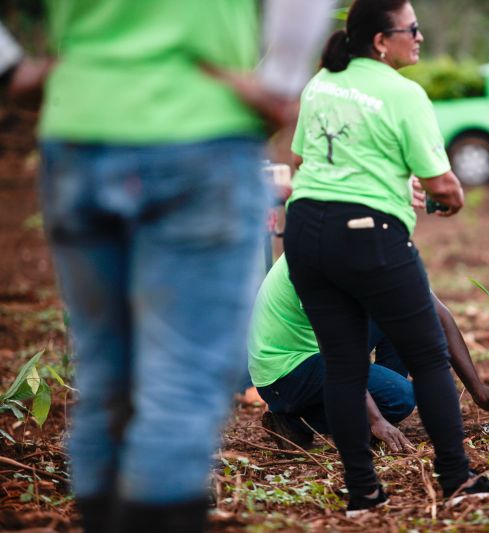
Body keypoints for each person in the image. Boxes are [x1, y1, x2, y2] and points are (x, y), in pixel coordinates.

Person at [37, 1, 332, 531]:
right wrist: (284, 79)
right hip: (199, 130)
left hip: (79, 129)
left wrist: (13, 69)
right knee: (183, 379)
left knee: (104, 374)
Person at [282, 0, 489, 516]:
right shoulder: (404, 93)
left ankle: (363, 494)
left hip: (305, 232)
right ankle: (457, 478)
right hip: (367, 234)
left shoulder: (321, 84)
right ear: (382, 41)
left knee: (343, 365)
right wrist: (451, 201)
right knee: (426, 355)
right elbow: (444, 185)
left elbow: (298, 162)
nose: (420, 37)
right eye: (413, 29)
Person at [248, 254, 489, 451]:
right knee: (399, 399)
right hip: (285, 371)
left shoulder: (383, 240)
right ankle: (295, 418)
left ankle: (369, 402)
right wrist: (375, 419)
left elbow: (435, 313)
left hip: (323, 352)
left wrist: (477, 390)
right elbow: (337, 353)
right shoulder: (319, 256)